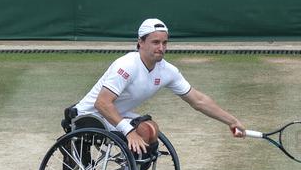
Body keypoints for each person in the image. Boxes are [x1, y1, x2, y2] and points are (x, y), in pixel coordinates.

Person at [73, 17, 246, 160]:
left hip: (116, 117)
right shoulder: (126, 65)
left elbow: (199, 101)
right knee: (143, 133)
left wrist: (231, 121)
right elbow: (102, 103)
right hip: (89, 118)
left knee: (151, 130)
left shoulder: (167, 71)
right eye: (155, 42)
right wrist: (129, 132)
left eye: (164, 43)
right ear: (140, 42)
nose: (161, 48)